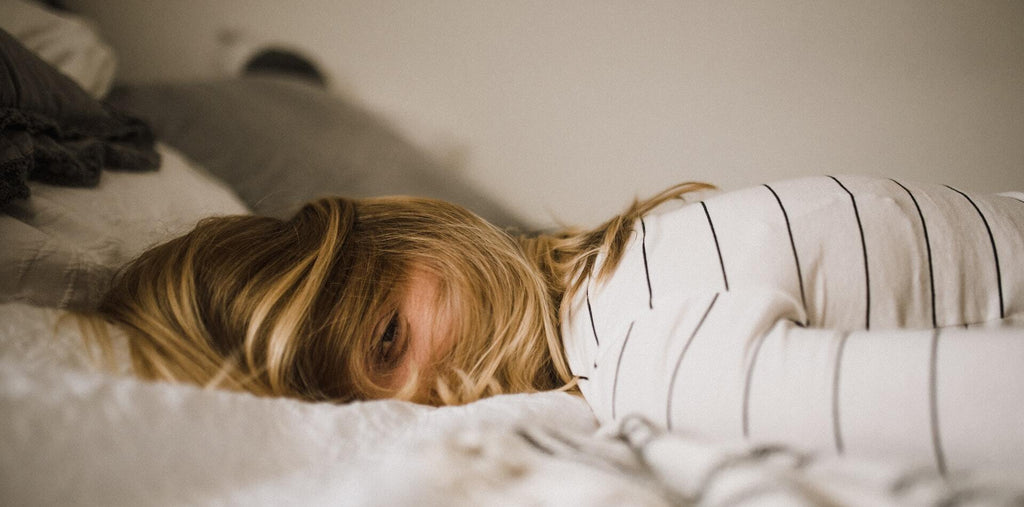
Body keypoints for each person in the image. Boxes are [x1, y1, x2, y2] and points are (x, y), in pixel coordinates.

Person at [89, 175, 1024, 469]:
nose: (421, 400)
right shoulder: (627, 262)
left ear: (418, 230)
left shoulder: (649, 352)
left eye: (387, 341)